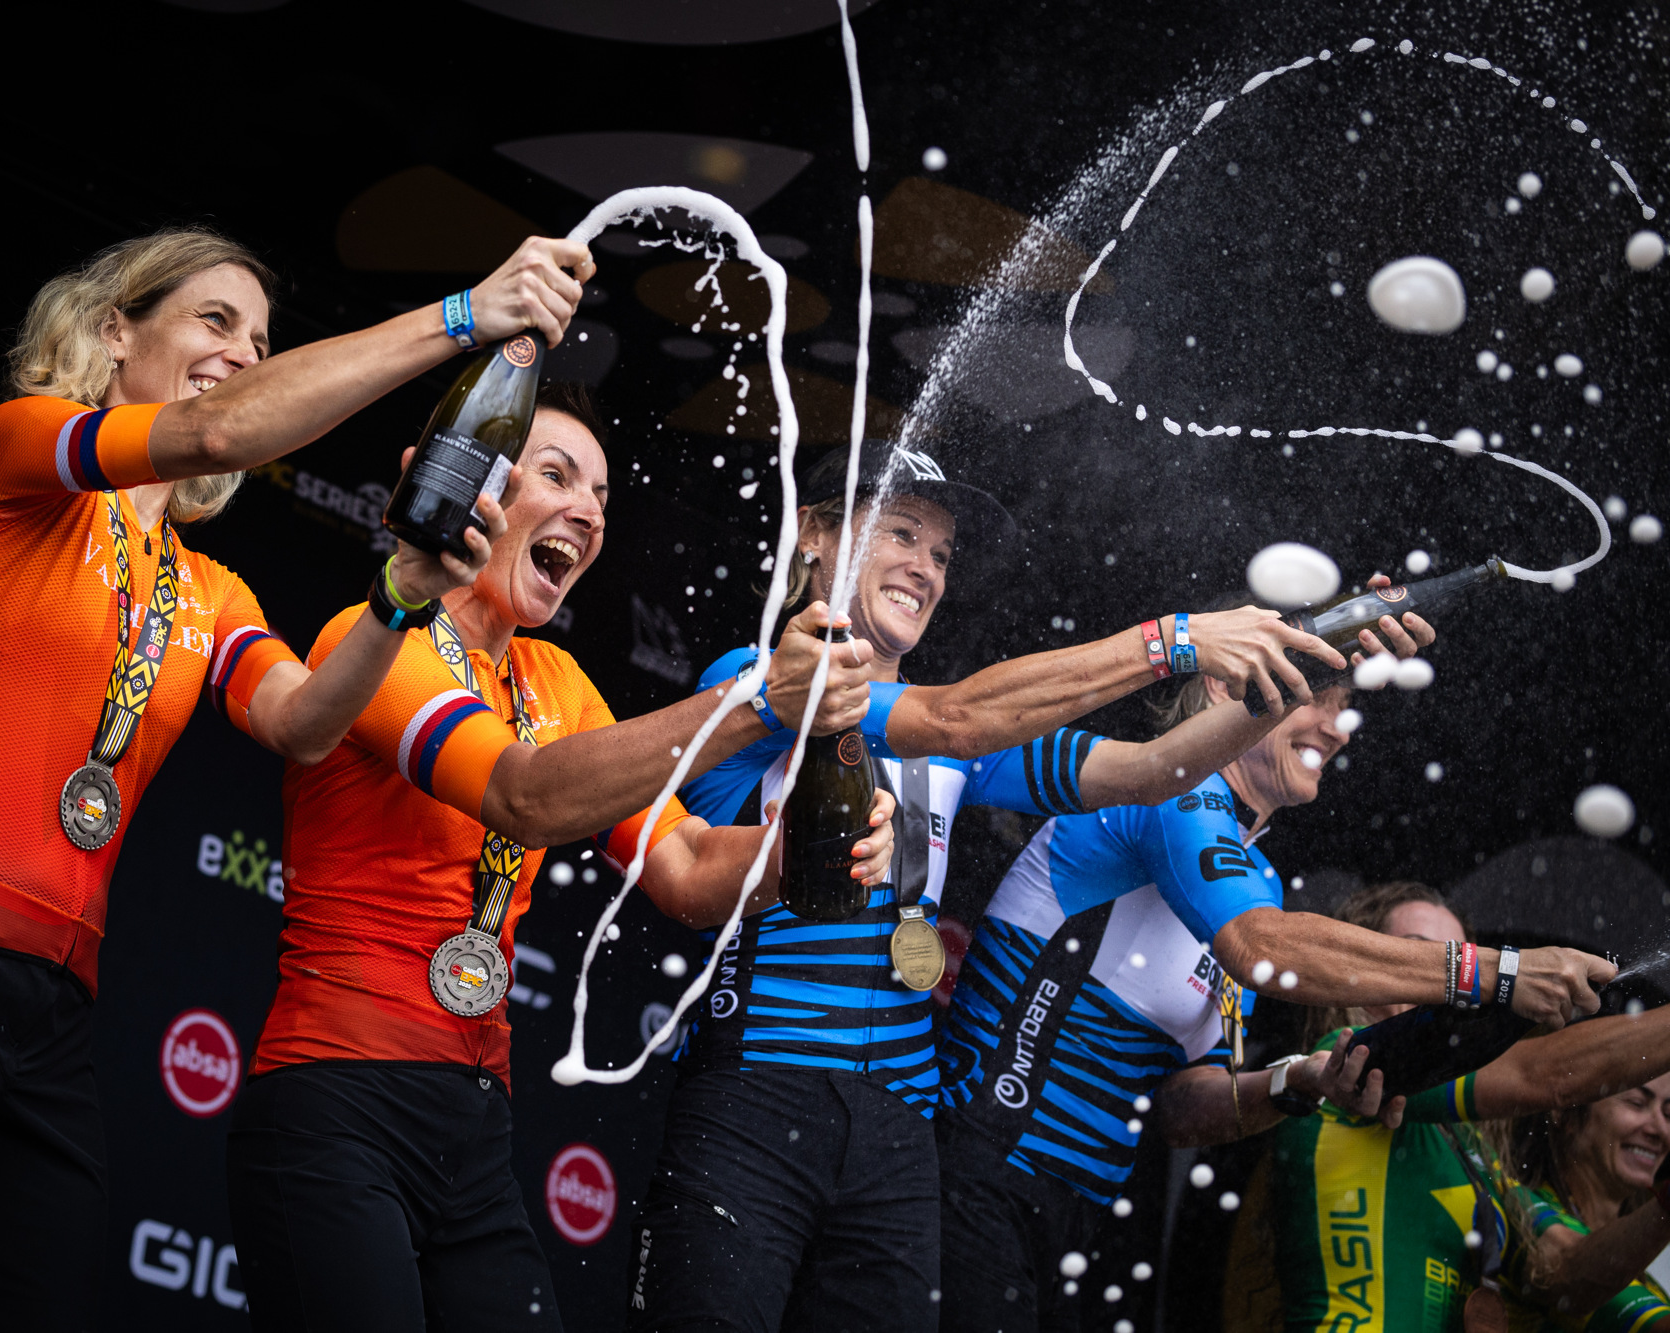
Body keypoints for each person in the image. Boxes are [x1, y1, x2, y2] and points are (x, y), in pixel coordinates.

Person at [0, 225, 595, 1329]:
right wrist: (463, 319)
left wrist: (401, 593)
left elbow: (304, 723)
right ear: (113, 329)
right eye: (216, 320)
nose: (243, 354)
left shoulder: (210, 590)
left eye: (259, 342)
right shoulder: (19, 453)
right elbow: (215, 429)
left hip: (53, 1017)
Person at [623, 439, 1429, 1333]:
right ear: (814, 534)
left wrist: (1295, 668)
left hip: (899, 1129)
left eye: (941, 553)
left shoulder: (952, 745)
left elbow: (1154, 770)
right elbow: (955, 716)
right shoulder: (757, 685)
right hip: (759, 1088)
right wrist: (1176, 640)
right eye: (901, 534)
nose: (926, 568)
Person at [224, 385, 899, 1333]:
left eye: (602, 497)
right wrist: (756, 704)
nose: (588, 512)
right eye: (558, 476)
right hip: (336, 1098)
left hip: (473, 1122)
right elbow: (524, 795)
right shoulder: (373, 641)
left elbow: (689, 870)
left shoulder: (557, 680)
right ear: (477, 489)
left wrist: (812, 848)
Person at [935, 663, 1613, 1333]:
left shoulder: (1255, 877)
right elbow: (1262, 949)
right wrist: (1493, 972)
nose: (1338, 727)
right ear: (1225, 686)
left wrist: (1298, 1081)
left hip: (1078, 1213)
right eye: (1315, 696)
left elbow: (1181, 1106)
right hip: (980, 1168)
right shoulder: (1168, 787)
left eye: (1344, 705)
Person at [1268, 882, 1670, 1333]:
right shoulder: (1345, 1067)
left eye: (1463, 961)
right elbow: (1544, 1075)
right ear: (1365, 969)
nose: (1447, 983)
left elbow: (1564, 1271)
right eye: (1424, 956)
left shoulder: (1473, 1151)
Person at [1497, 1074, 1670, 1332]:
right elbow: (1576, 1273)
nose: (1660, 1129)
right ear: (1566, 1107)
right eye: (1636, 1103)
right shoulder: (1519, 1211)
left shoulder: (1653, 1287)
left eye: (1669, 1114)